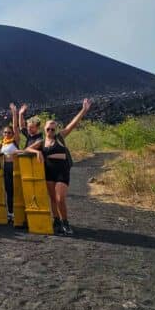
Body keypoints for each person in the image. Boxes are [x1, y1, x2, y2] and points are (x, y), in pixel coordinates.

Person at [28, 99, 91, 236]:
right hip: (49, 172)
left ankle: (65, 222)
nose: (50, 130)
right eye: (48, 128)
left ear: (55, 129)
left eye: (53, 129)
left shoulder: (60, 137)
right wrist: (37, 152)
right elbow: (27, 149)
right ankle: (56, 221)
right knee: (52, 198)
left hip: (62, 172)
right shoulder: (42, 142)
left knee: (59, 199)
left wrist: (83, 110)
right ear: (44, 129)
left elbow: (72, 125)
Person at [0, 103, 21, 225]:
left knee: (15, 189)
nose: (7, 134)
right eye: (5, 132)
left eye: (9, 132)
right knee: (8, 190)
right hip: (5, 168)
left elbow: (16, 127)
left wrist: (14, 113)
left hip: (14, 167)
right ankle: (10, 212)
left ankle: (17, 211)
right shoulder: (3, 142)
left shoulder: (15, 141)